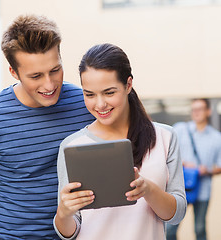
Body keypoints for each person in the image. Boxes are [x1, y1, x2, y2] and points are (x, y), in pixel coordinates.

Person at [0, 15, 94, 239]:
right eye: (35, 76)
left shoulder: (85, 103)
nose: (49, 84)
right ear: (14, 73)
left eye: (55, 70)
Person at [53, 43, 187, 240]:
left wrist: (147, 190)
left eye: (109, 92)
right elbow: (69, 233)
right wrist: (63, 213)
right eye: (89, 94)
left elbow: (177, 214)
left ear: (128, 85)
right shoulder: (72, 146)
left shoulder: (165, 137)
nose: (99, 104)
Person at [166, 98, 221, 240]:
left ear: (208, 111)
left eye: (200, 109)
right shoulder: (180, 129)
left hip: (203, 190)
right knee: (171, 229)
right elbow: (166, 152)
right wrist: (182, 163)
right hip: (179, 189)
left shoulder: (216, 138)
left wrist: (206, 170)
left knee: (200, 229)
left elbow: (220, 166)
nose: (196, 113)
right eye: (193, 109)